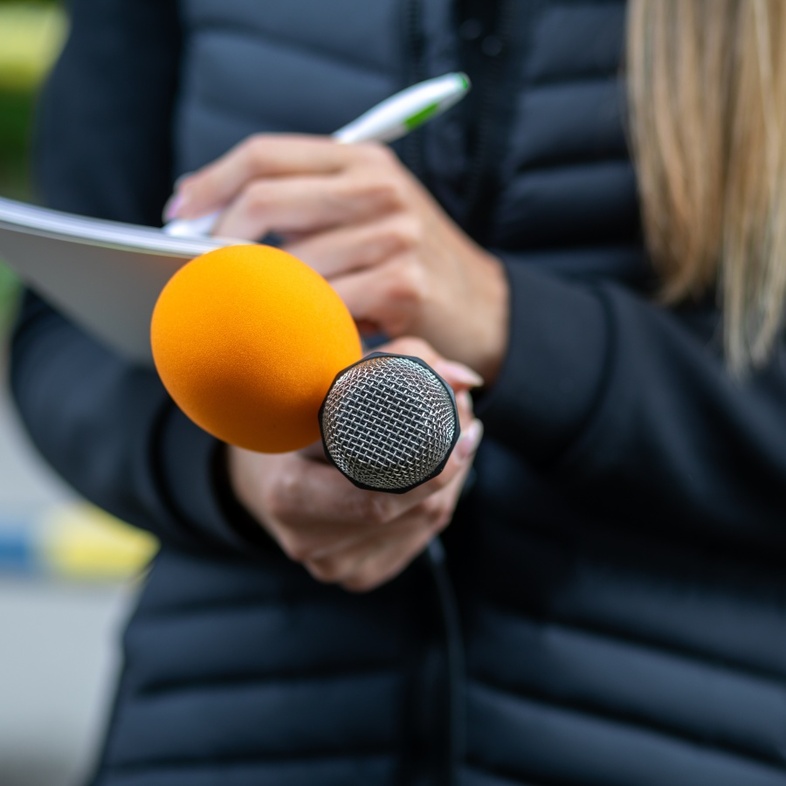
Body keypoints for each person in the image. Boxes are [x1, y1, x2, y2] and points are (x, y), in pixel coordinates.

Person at [9, 0, 786, 784]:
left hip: (674, 739)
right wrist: (236, 470)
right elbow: (61, 339)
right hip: (228, 735)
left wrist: (507, 319)